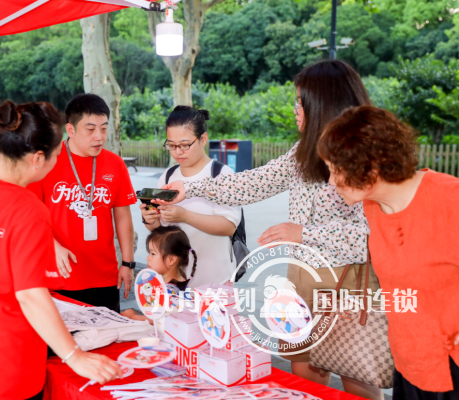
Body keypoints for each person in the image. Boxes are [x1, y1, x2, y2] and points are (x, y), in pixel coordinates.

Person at [157, 60, 383, 400]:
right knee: (304, 368)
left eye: (300, 102)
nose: (295, 109)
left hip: (349, 278)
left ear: (323, 104)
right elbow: (253, 183)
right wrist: (192, 188)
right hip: (303, 274)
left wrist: (303, 234)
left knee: (356, 377)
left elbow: (370, 235)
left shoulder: (365, 154)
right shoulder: (303, 151)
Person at [0, 100, 122, 400]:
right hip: (5, 367)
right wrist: (75, 356)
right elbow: (30, 296)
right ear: (38, 158)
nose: (57, 161)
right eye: (56, 156)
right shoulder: (27, 210)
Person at [318, 105, 459, 400]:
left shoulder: (450, 199)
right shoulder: (373, 207)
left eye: (335, 170)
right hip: (409, 363)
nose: (330, 182)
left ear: (370, 168)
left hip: (451, 367)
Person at [0, 93, 137, 312]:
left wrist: (127, 263)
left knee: (107, 332)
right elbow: (29, 215)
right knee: (59, 334)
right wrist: (53, 245)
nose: (99, 136)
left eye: (104, 128)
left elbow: (123, 217)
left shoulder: (115, 164)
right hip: (59, 275)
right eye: (90, 129)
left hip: (104, 277)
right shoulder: (48, 160)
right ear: (70, 129)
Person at [141, 106, 239, 288]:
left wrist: (185, 216)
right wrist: (150, 219)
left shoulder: (221, 174)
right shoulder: (168, 176)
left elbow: (228, 227)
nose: (178, 152)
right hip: (175, 282)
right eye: (171, 145)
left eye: (185, 145)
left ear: (203, 139)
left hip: (214, 280)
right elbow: (161, 232)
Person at [122, 225, 197, 323]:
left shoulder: (168, 293)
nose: (148, 258)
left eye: (153, 254)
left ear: (171, 260)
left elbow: (160, 319)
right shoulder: (181, 280)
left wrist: (133, 317)